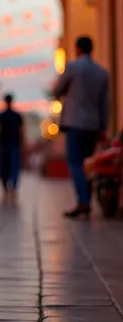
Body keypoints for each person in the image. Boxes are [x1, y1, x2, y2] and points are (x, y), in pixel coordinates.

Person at [53, 35, 109, 219]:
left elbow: (56, 91)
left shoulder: (73, 67)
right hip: (93, 125)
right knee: (88, 163)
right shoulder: (102, 72)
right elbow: (105, 104)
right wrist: (103, 127)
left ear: (77, 49)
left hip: (75, 123)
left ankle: (84, 202)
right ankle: (85, 200)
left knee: (76, 163)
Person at [0, 94, 24, 199]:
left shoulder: (1, 115)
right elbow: (21, 131)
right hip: (15, 143)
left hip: (3, 144)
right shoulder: (17, 116)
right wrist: (23, 143)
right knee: (14, 166)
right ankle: (13, 186)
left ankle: (5, 185)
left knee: (4, 165)